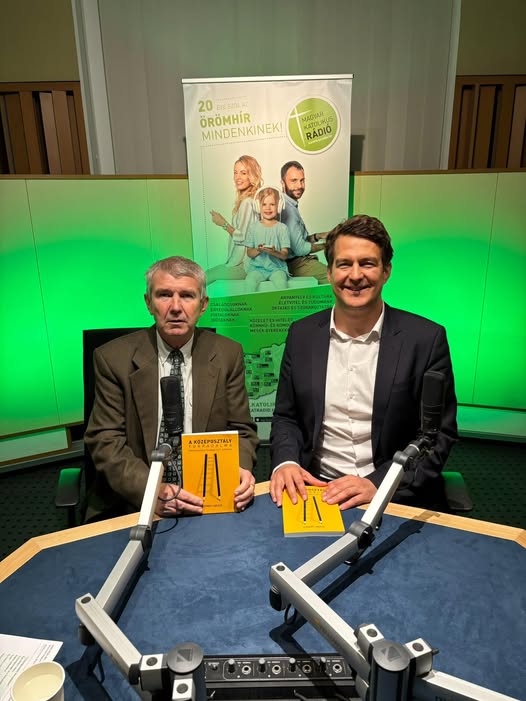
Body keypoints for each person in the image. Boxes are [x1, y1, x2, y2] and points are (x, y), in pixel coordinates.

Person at [270, 215, 457, 511]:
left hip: (391, 493)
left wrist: (378, 483)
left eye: (367, 264)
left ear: (386, 271)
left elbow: (437, 436)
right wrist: (286, 462)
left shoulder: (425, 340)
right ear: (329, 272)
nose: (355, 276)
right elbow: (286, 417)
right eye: (344, 264)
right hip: (315, 489)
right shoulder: (301, 334)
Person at [85, 256, 259, 521]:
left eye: (187, 296)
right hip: (135, 500)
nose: (176, 307)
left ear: (203, 305)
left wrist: (239, 468)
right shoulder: (113, 359)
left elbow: (242, 430)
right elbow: (105, 440)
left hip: (208, 494)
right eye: (164, 295)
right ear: (148, 303)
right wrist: (151, 491)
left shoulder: (228, 354)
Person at [207, 155, 262, 284]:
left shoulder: (248, 203)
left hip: (245, 266)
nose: (237, 177)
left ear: (252, 176)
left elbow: (242, 238)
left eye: (243, 173)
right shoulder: (248, 201)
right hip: (243, 264)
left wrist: (223, 223)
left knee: (203, 277)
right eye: (235, 172)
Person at [280, 160, 329, 284]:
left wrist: (318, 236)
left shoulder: (291, 204)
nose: (299, 186)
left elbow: (298, 240)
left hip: (299, 260)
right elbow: (300, 249)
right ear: (282, 183)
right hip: (293, 264)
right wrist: (328, 245)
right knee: (335, 278)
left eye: (302, 181)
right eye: (294, 181)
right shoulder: (287, 209)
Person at [244, 187, 291, 292]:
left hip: (277, 269)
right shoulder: (253, 228)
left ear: (279, 206)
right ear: (258, 206)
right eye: (264, 204)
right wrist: (258, 250)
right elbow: (249, 253)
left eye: (272, 204)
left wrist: (274, 252)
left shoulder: (282, 228)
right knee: (249, 282)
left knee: (281, 283)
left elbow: (284, 255)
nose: (268, 208)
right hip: (257, 269)